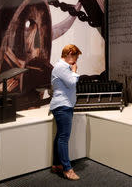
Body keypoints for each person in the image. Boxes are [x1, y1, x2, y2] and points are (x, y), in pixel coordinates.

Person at [49, 44, 82, 180]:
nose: (76, 60)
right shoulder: (62, 67)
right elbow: (71, 83)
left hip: (64, 105)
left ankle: (57, 165)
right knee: (63, 138)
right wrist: (75, 70)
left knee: (60, 137)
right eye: (75, 56)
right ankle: (67, 169)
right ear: (69, 53)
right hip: (62, 106)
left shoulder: (62, 67)